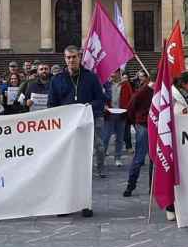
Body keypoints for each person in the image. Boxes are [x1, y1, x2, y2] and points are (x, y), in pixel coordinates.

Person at [48, 45, 106, 217]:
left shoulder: (91, 78)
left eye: (74, 57)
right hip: (65, 131)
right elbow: (52, 104)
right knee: (64, 168)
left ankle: (85, 204)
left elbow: (100, 101)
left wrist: (88, 107)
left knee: (83, 168)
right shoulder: (57, 79)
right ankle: (64, 205)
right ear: (64, 59)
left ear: (80, 57)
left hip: (85, 128)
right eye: (68, 57)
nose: (71, 60)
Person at [123, 71, 153, 198]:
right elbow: (130, 107)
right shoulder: (143, 91)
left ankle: (153, 186)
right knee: (139, 157)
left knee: (154, 159)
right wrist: (135, 122)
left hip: (153, 125)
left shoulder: (159, 91)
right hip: (143, 125)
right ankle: (130, 185)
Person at [103, 69, 133, 167]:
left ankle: (118, 158)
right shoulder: (106, 84)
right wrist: (104, 106)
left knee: (119, 138)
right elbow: (101, 97)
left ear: (118, 73)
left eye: (114, 72)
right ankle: (101, 158)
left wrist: (127, 109)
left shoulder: (125, 84)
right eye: (111, 72)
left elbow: (130, 98)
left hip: (121, 114)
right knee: (106, 137)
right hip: (109, 114)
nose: (112, 74)